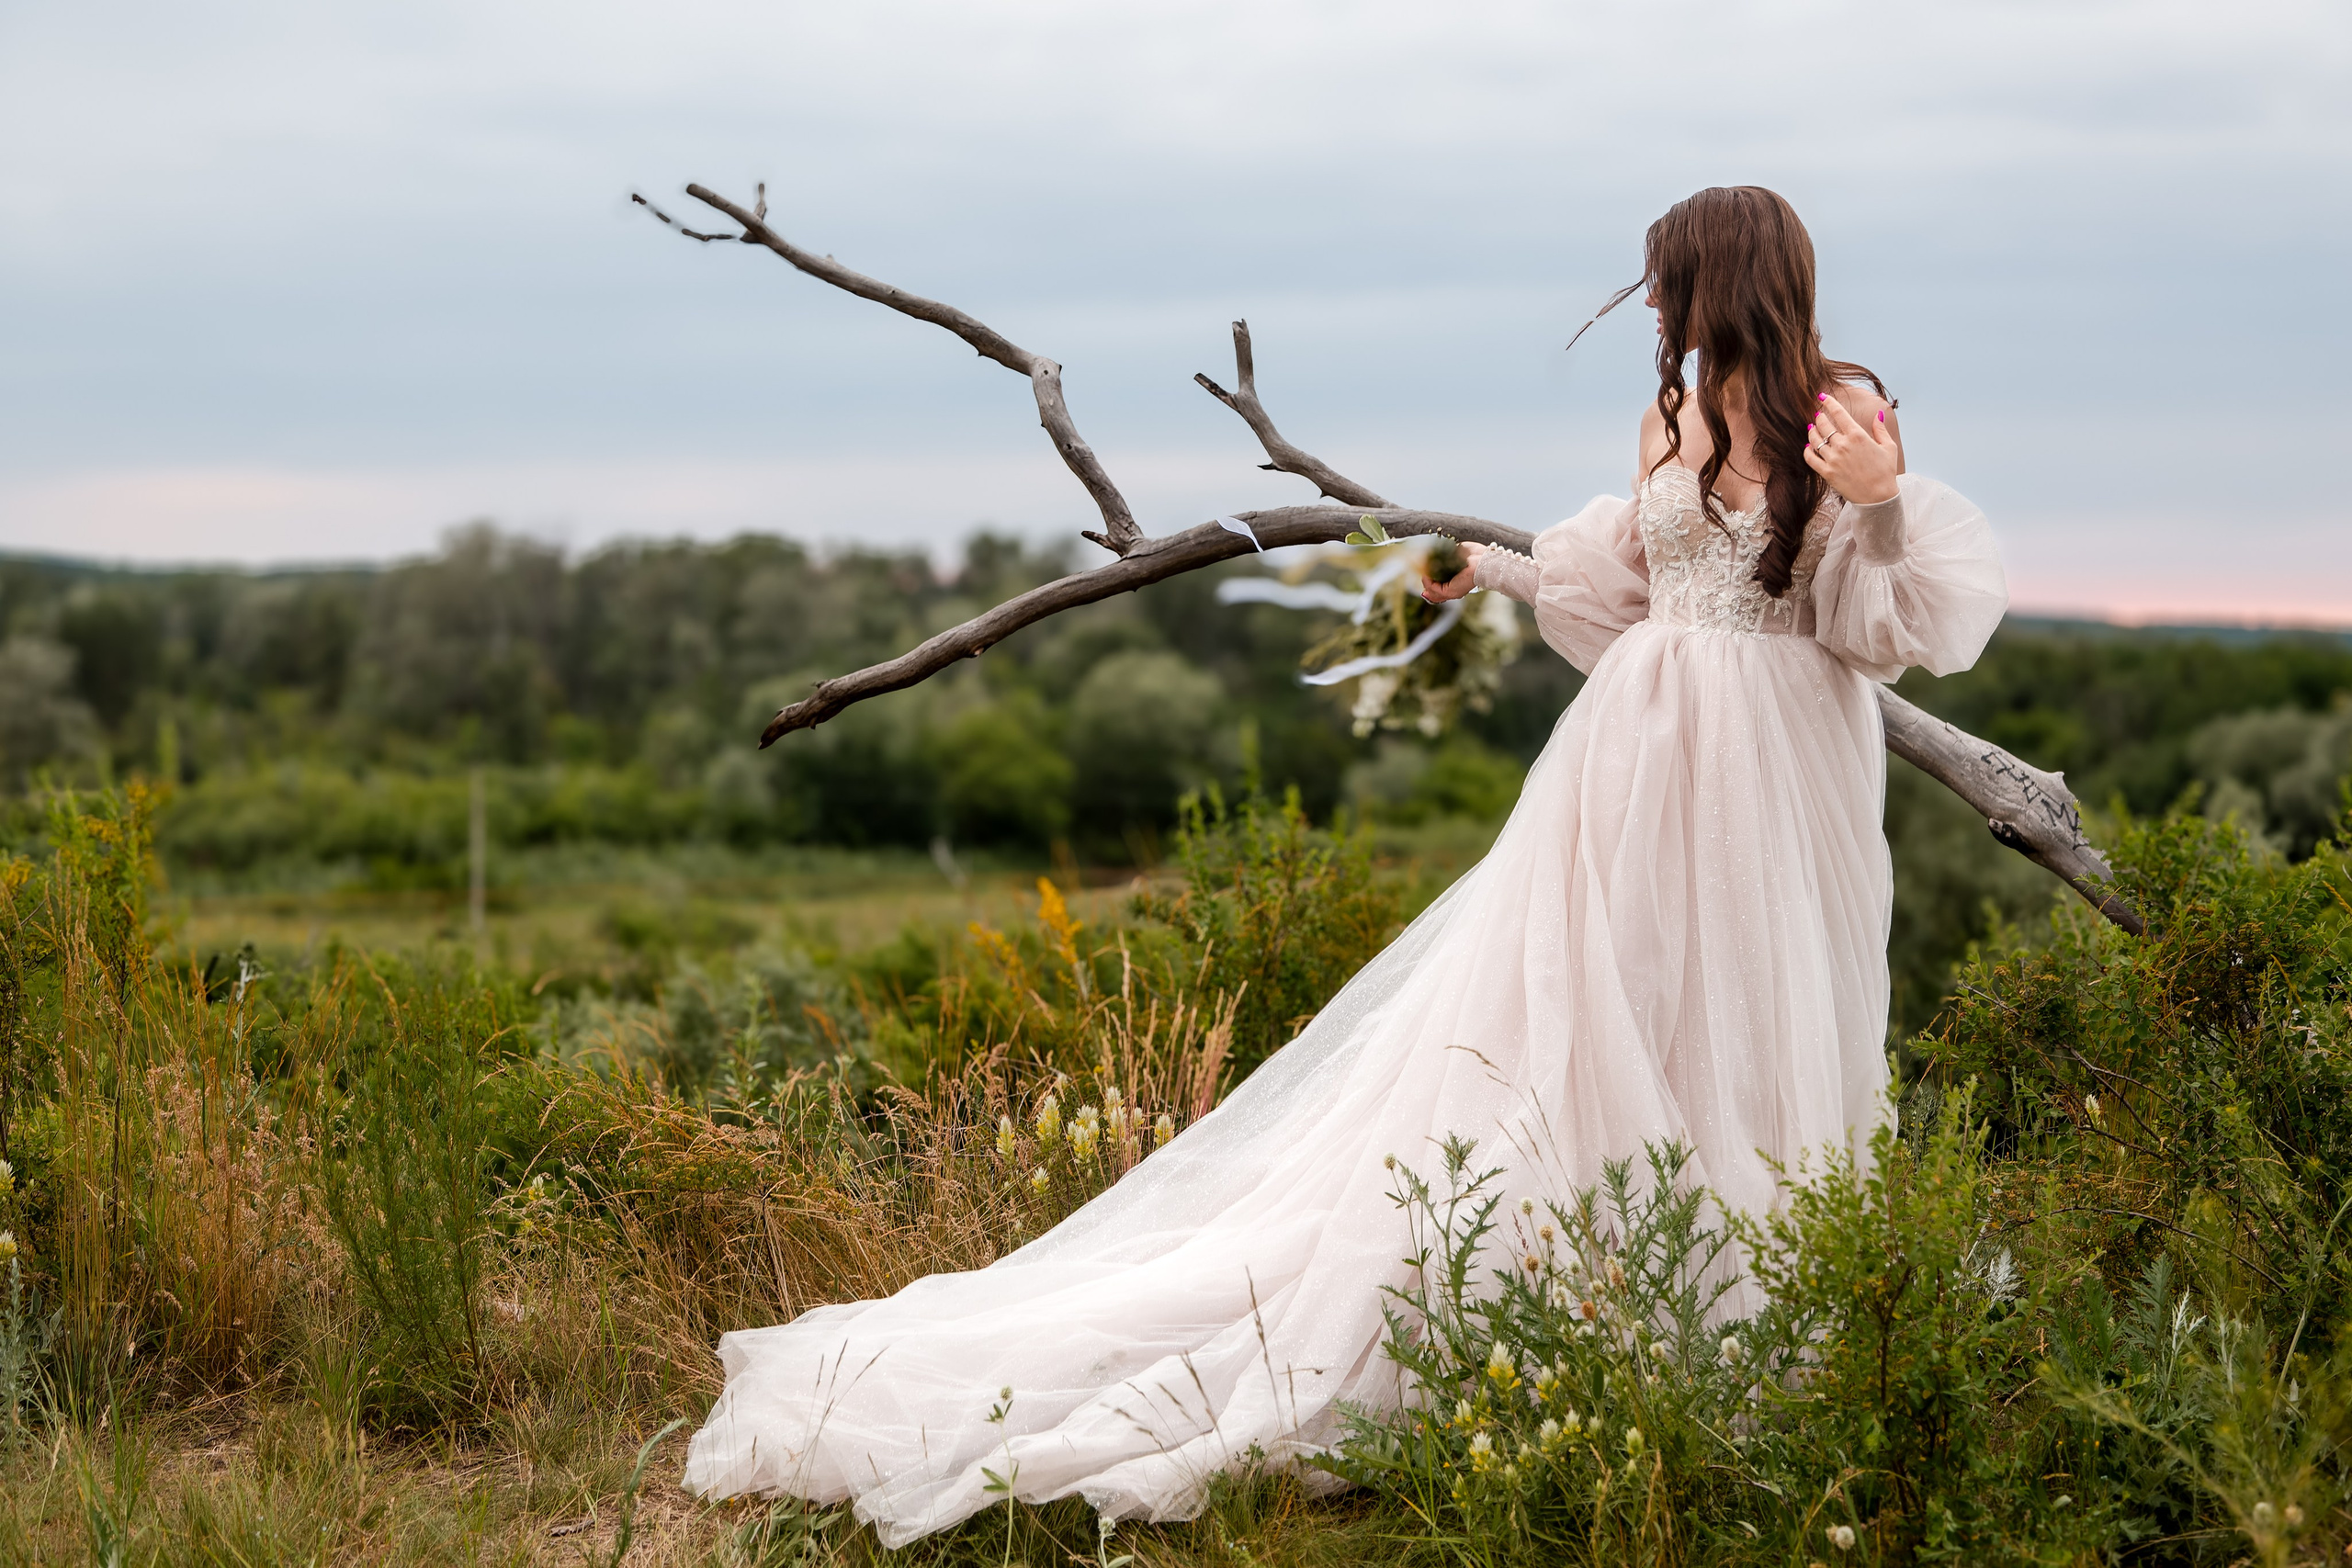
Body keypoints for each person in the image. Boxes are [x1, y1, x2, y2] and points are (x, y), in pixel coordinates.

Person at [680, 185, 2007, 1545]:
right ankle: (1591, 1306)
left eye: (1668, 281)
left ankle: (1746, 1320)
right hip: (1636, 753)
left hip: (1780, 762)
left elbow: (1881, 625)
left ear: (1727, 277)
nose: (1653, 305)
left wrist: (1885, 502)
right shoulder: (1674, 414)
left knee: (1754, 1015)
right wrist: (1480, 569)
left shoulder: (1842, 409)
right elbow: (1629, 579)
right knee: (1600, 1013)